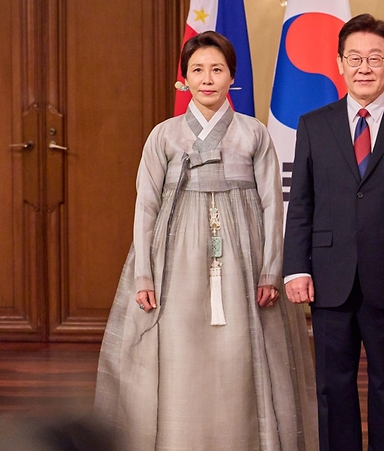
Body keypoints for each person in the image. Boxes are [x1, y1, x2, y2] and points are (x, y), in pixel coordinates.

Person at [95, 31, 319, 451]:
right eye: (197, 70)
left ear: (232, 76)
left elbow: (273, 203)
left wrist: (271, 269)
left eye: (217, 69)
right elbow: (145, 206)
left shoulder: (253, 134)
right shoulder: (164, 135)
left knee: (237, 353)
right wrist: (145, 273)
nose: (207, 79)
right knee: (182, 349)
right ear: (184, 79)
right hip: (176, 256)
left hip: (244, 256)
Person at [283, 13, 384, 451]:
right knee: (332, 388)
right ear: (339, 63)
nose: (364, 67)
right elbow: (301, 203)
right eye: (354, 57)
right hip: (329, 277)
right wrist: (296, 267)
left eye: (375, 58)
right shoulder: (314, 125)